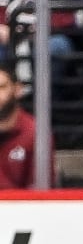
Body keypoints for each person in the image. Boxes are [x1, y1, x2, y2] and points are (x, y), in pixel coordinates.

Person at [0, 60, 35, 189]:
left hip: (21, 207)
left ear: (17, 89)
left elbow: (39, 191)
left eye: (1, 87)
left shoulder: (33, 133)